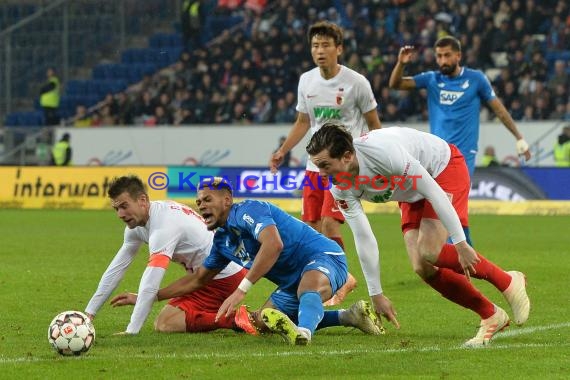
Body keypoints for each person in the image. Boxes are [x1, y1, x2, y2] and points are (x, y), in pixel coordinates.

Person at [306, 124, 530, 347]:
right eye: (318, 167)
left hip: (443, 168)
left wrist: (461, 243)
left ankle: (507, 280)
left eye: (325, 166)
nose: (321, 175)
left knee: (430, 250)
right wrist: (376, 294)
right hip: (408, 190)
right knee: (421, 265)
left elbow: (433, 191)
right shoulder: (339, 186)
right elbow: (363, 235)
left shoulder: (382, 153)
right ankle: (491, 314)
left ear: (346, 156)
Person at [113, 177, 384, 345]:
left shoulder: (248, 210)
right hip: (291, 280)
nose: (201, 205)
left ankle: (304, 333)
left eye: (207, 199)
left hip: (324, 257)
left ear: (227, 200)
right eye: (198, 201)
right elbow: (197, 279)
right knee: (262, 321)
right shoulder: (222, 242)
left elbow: (273, 244)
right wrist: (149, 297)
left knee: (308, 288)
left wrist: (242, 289)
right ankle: (349, 316)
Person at [269, 21, 382, 304]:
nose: (320, 51)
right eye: (315, 46)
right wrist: (283, 150)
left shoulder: (357, 83)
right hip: (314, 167)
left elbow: (374, 125)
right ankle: (335, 276)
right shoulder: (306, 81)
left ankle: (342, 280)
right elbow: (303, 121)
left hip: (344, 169)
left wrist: (375, 161)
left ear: (339, 49)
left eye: (325, 45)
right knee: (311, 228)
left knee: (331, 225)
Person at [389, 36, 531, 245]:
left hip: (462, 156)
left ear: (458, 55)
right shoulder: (432, 79)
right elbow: (396, 84)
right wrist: (401, 63)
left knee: (451, 206)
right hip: (434, 155)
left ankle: (465, 259)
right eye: (439, 56)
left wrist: (519, 137)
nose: (443, 60)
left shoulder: (476, 80)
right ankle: (458, 258)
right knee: (438, 207)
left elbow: (498, 109)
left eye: (447, 55)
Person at [85, 175, 256, 335]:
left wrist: (132, 330)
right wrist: (89, 314)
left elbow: (151, 280)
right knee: (165, 321)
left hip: (224, 278)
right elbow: (116, 270)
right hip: (204, 276)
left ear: (142, 200)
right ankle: (231, 317)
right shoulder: (138, 226)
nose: (120, 214)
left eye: (124, 206)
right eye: (116, 209)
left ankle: (236, 319)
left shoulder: (163, 227)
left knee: (166, 324)